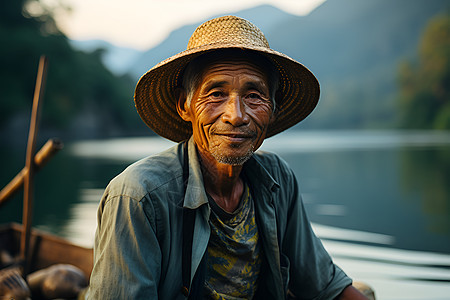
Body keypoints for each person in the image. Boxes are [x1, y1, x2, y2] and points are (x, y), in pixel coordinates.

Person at [86, 16, 369, 299]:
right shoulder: (138, 196)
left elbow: (326, 286)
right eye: (216, 94)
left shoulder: (277, 181)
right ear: (185, 105)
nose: (236, 115)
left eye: (254, 95)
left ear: (273, 108)